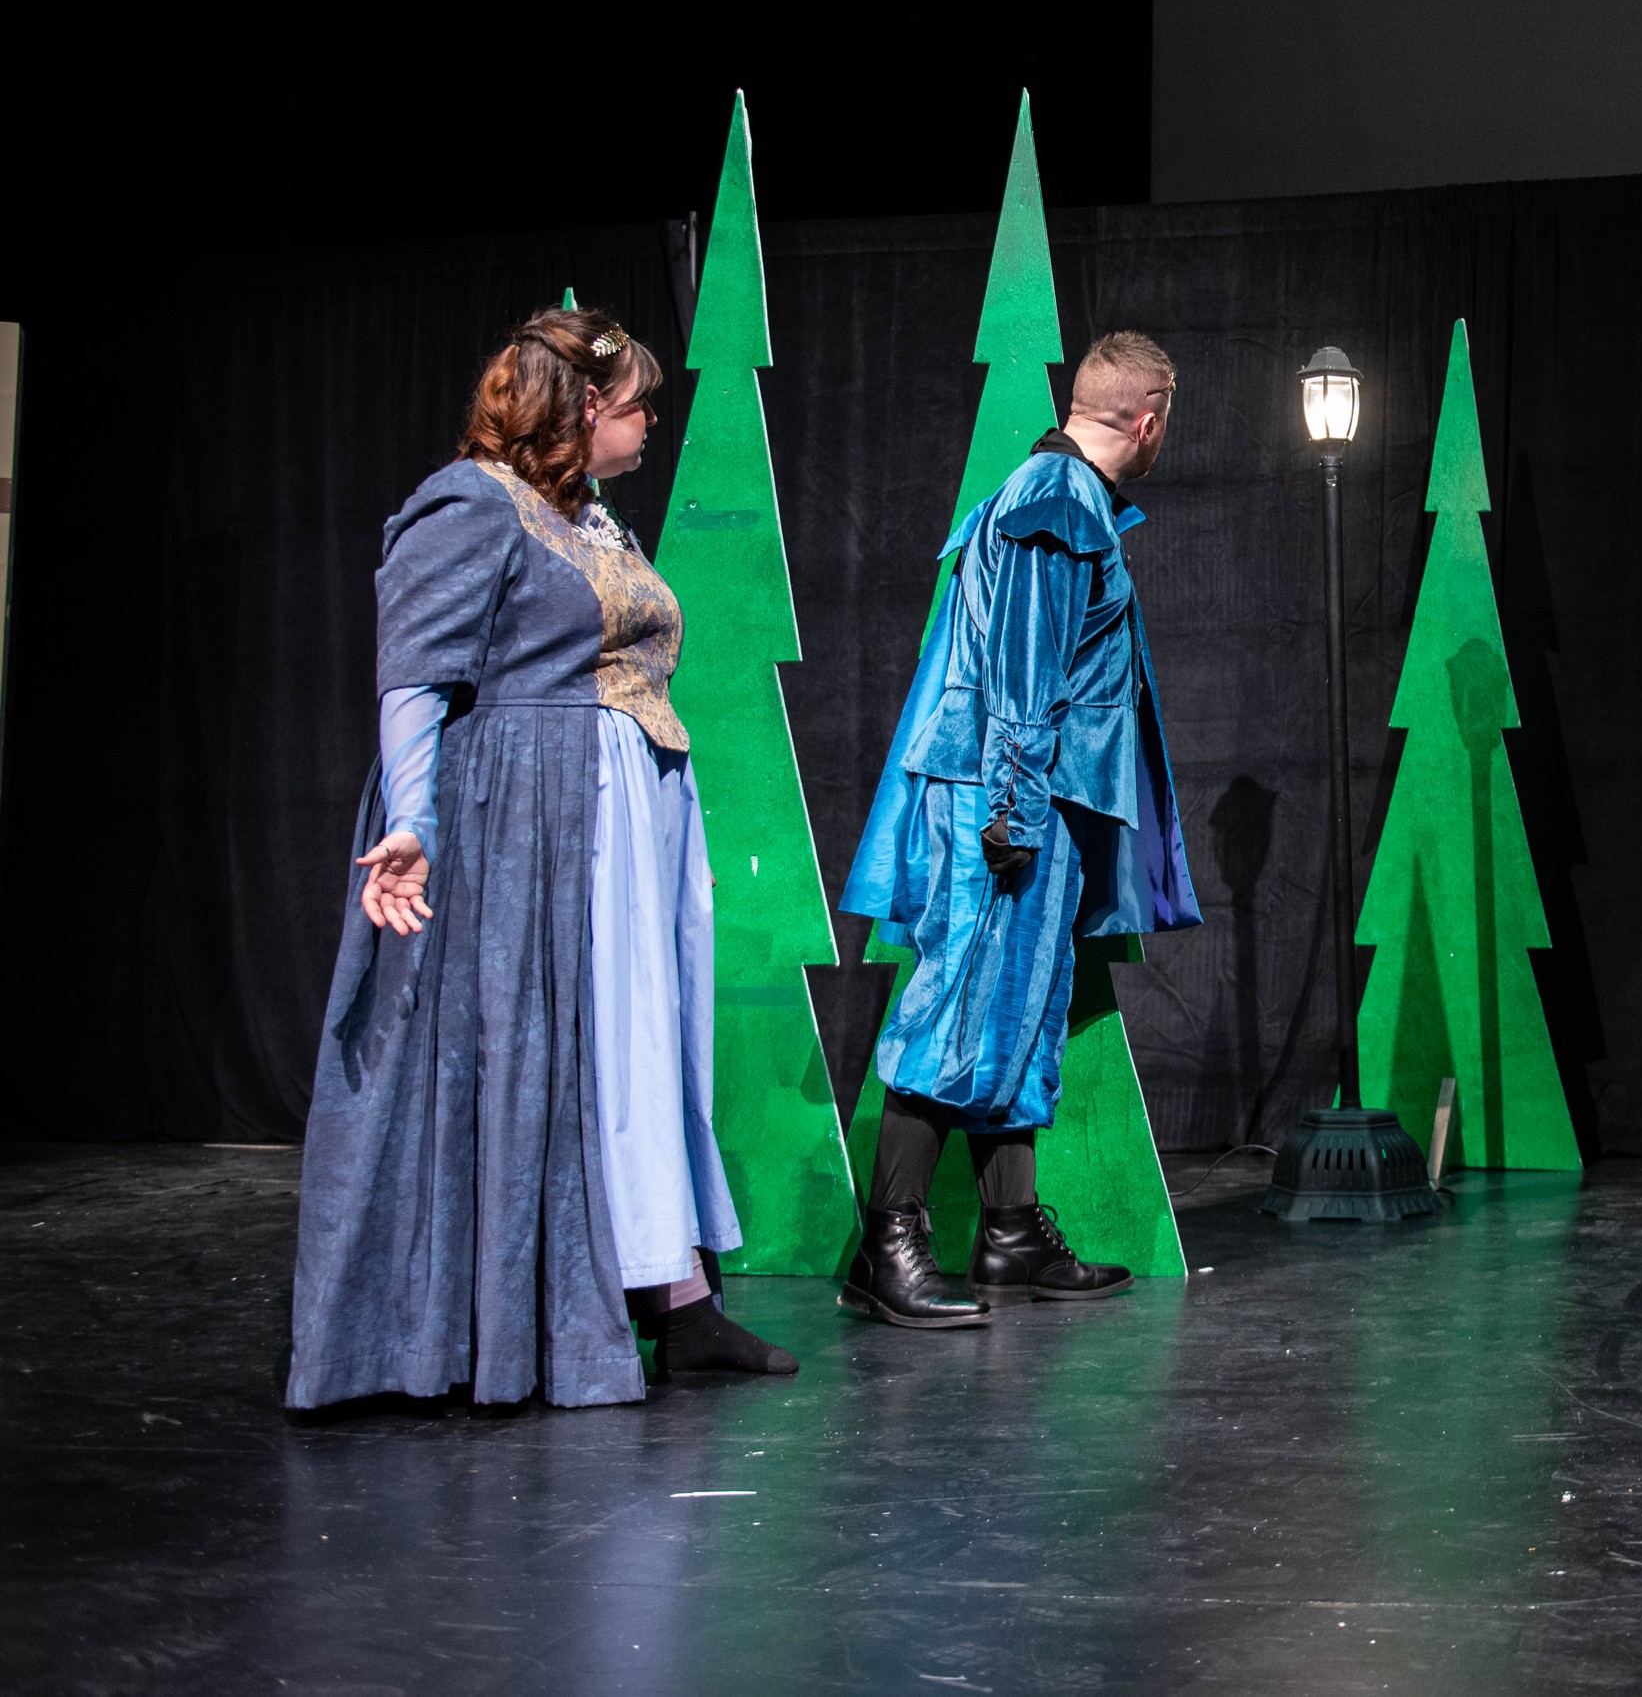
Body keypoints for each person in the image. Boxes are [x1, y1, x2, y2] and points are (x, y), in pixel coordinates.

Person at [289, 306, 795, 1410]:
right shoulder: (472, 504)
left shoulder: (590, 517)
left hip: (622, 814)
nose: (651, 422)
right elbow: (413, 676)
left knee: (641, 1051)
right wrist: (415, 818)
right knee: (580, 1052)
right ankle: (559, 1307)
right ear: (582, 407)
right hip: (538, 821)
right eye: (636, 405)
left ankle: (676, 1293)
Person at [839, 331, 1203, 1328]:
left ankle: (1009, 1232)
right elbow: (1021, 674)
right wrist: (1012, 808)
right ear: (1149, 419)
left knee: (1020, 1005)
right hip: (1007, 799)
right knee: (958, 1000)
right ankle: (888, 1239)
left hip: (1034, 797)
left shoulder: (1067, 497)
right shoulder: (1056, 502)